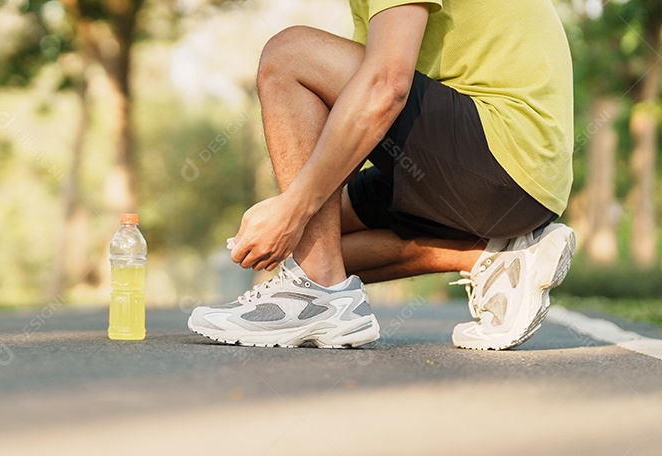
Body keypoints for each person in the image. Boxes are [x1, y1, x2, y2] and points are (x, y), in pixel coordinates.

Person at [187, 0, 577, 350]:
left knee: (288, 55)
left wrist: (292, 207)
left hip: (503, 154)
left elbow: (386, 87)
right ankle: (486, 257)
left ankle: (317, 292)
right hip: (511, 179)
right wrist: (300, 217)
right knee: (318, 239)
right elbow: (354, 111)